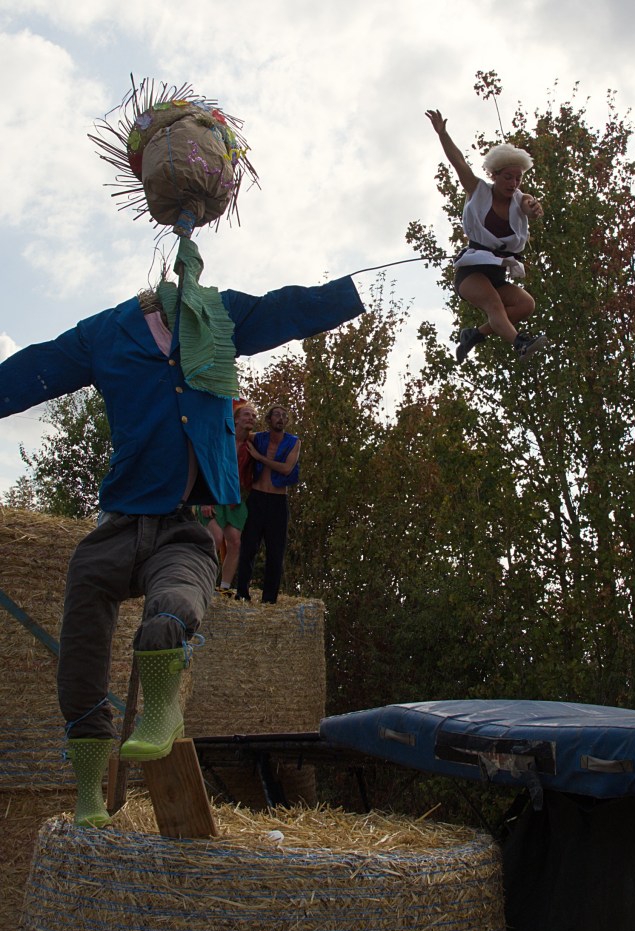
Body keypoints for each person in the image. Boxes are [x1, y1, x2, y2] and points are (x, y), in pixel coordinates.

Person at [0, 80, 365, 828]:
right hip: (117, 519)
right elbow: (32, 367)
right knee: (80, 646)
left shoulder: (221, 318)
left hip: (188, 523)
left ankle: (161, 711)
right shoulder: (106, 333)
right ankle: (89, 784)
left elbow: (289, 309)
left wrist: (351, 290)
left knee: (171, 614)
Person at [426, 108, 547, 364]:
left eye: (518, 178)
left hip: (497, 274)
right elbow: (458, 161)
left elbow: (529, 204)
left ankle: (474, 335)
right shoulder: (478, 191)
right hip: (471, 273)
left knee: (526, 305)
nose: (513, 183)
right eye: (507, 177)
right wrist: (443, 134)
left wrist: (533, 208)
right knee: (493, 304)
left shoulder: (520, 199)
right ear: (494, 175)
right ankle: (520, 343)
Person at [235, 405, 300, 604]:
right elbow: (239, 435)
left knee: (275, 553)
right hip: (257, 497)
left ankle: (269, 600)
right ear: (269, 419)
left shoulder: (293, 442)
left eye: (284, 415)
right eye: (277, 415)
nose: (281, 418)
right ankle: (242, 594)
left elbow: (287, 469)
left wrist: (260, 458)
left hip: (277, 501)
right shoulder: (258, 438)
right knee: (248, 548)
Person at [195, 399, 257, 595]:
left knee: (235, 542)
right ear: (236, 419)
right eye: (247, 414)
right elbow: (206, 466)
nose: (251, 418)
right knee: (215, 537)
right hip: (212, 493)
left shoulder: (251, 446)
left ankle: (224, 588)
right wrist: (205, 498)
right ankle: (203, 582)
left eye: (254, 416)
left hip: (234, 499)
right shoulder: (222, 439)